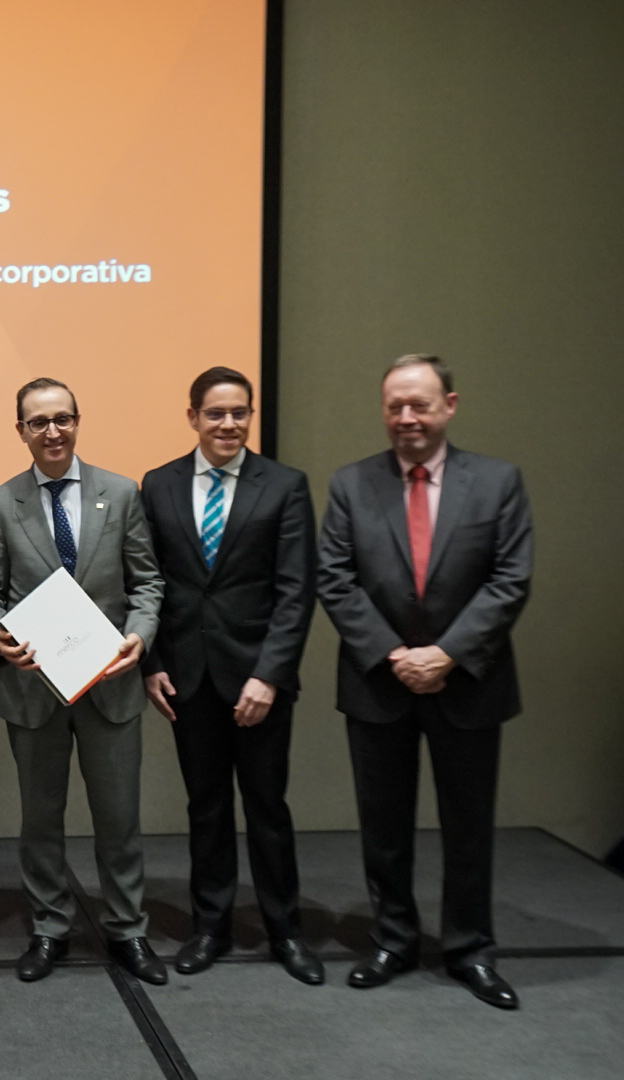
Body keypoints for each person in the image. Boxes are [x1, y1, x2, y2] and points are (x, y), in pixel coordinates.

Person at [318, 355, 532, 1009]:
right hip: (379, 683)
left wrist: (445, 654)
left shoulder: (497, 482)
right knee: (383, 826)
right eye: (395, 406)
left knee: (469, 825)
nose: (406, 417)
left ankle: (470, 949)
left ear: (450, 406)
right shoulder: (351, 483)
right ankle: (393, 940)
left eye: (419, 404)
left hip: (468, 682)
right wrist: (396, 656)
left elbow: (510, 579)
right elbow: (335, 579)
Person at [0, 377, 166, 984]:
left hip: (111, 685)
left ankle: (128, 930)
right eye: (38, 422)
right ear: (21, 430)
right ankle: (49, 928)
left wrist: (140, 635)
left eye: (62, 419)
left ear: (77, 422)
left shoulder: (121, 493)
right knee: (40, 820)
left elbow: (147, 582)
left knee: (119, 819)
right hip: (34, 690)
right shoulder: (0, 504)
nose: (52, 431)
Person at [140, 367, 322, 985]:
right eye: (216, 413)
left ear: (250, 416)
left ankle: (286, 932)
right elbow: (150, 582)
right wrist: (153, 664)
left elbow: (296, 591)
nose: (228, 424)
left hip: (259, 682)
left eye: (239, 412)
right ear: (193, 416)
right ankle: (210, 927)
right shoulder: (158, 484)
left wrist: (270, 675)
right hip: (189, 678)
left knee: (268, 807)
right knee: (207, 808)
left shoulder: (285, 485)